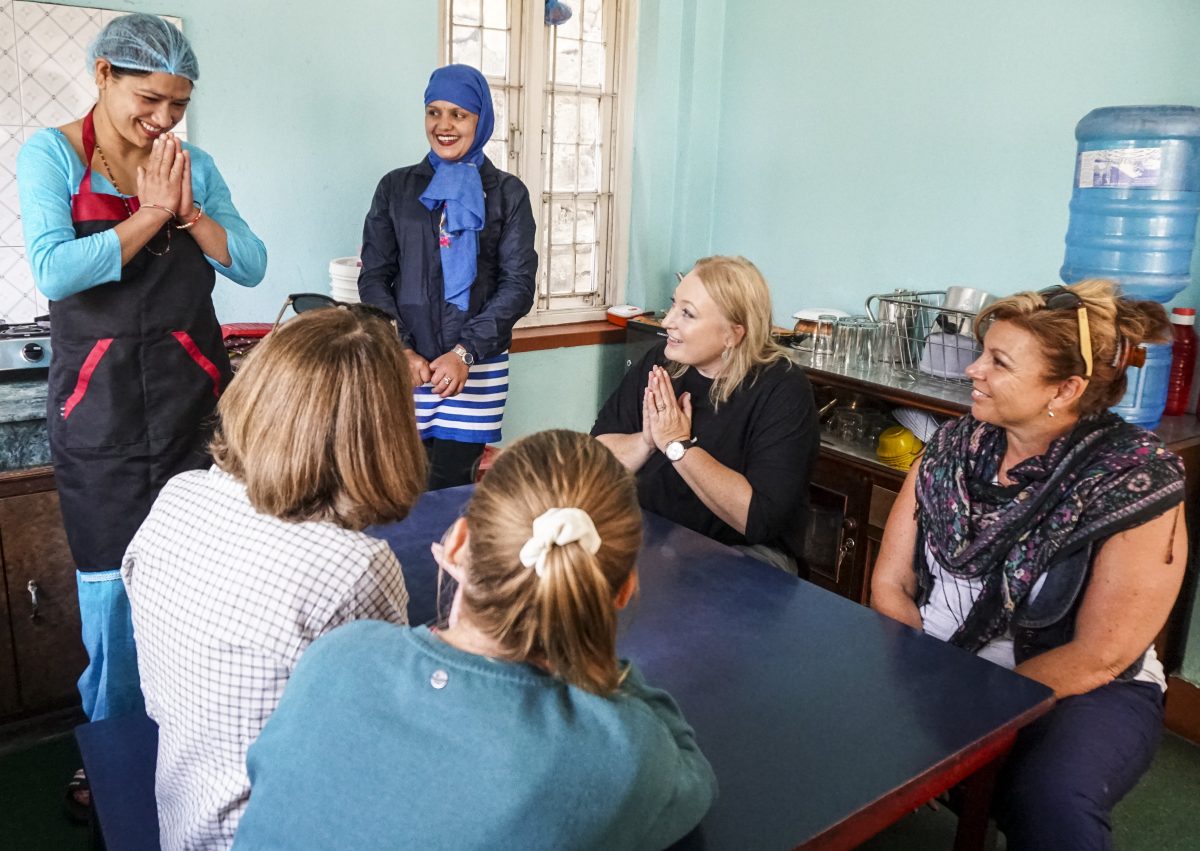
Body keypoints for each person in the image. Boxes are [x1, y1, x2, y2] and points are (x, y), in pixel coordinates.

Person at [234, 430, 717, 851]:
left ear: (459, 544)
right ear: (623, 591)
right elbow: (692, 782)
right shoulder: (620, 749)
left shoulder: (337, 657)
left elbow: (267, 776)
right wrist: (592, 655)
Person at [870, 279, 1187, 850]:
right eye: (982, 352)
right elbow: (892, 582)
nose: (973, 370)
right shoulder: (953, 448)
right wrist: (917, 671)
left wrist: (975, 703)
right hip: (936, 657)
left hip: (1078, 685)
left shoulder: (1131, 479)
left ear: (1064, 389)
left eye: (998, 361)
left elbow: (1101, 655)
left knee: (1052, 799)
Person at [15, 14, 267, 728]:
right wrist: (152, 213)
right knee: (112, 596)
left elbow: (249, 261)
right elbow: (55, 271)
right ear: (103, 76)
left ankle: (196, 726)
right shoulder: (54, 157)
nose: (163, 120)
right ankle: (115, 754)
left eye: (178, 105)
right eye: (148, 101)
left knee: (204, 581)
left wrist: (190, 213)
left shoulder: (197, 167)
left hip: (197, 412)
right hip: (102, 420)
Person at [122, 305, 427, 850]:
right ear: (383, 432)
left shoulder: (179, 496)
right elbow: (387, 738)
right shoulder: (353, 565)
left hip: (184, 813)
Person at [358, 63, 537, 489]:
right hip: (405, 367)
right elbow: (374, 277)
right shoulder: (396, 188)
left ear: (481, 119)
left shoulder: (509, 194)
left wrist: (464, 353)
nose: (444, 125)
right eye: (433, 112)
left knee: (452, 490)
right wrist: (399, 348)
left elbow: (518, 285)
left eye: (458, 114)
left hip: (475, 368)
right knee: (393, 487)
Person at [592, 255, 819, 573]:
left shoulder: (782, 389)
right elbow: (595, 466)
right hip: (655, 536)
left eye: (687, 314)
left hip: (745, 556)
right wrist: (646, 441)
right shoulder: (661, 362)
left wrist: (678, 446)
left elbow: (759, 520)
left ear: (733, 334)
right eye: (673, 306)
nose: (668, 321)